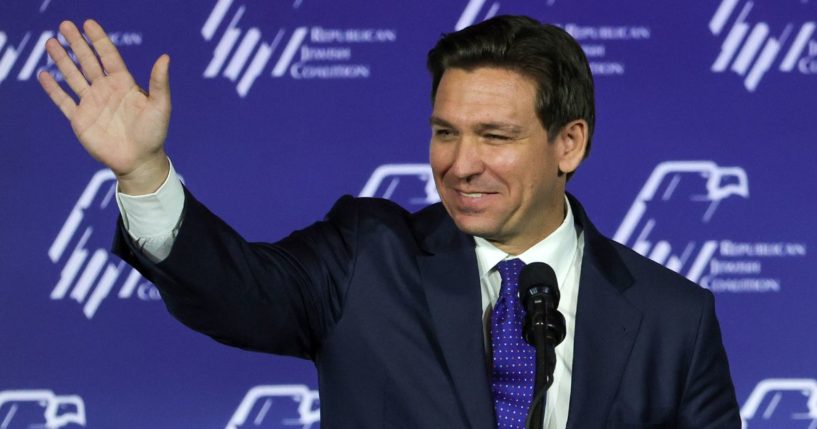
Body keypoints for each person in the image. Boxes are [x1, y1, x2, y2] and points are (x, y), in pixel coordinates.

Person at [39, 15, 740, 429]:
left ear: (569, 143)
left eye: (494, 136)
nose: (460, 163)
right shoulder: (367, 255)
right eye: (444, 132)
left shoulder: (671, 316)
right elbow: (234, 289)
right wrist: (142, 172)